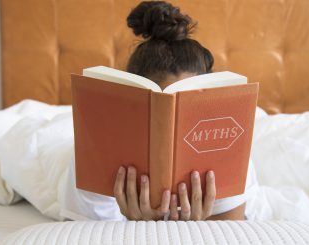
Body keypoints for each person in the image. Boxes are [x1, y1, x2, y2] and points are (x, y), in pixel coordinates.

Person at [61, 1, 258, 222]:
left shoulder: (229, 146)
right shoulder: (94, 151)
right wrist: (138, 226)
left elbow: (229, 233)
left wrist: (195, 227)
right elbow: (79, 234)